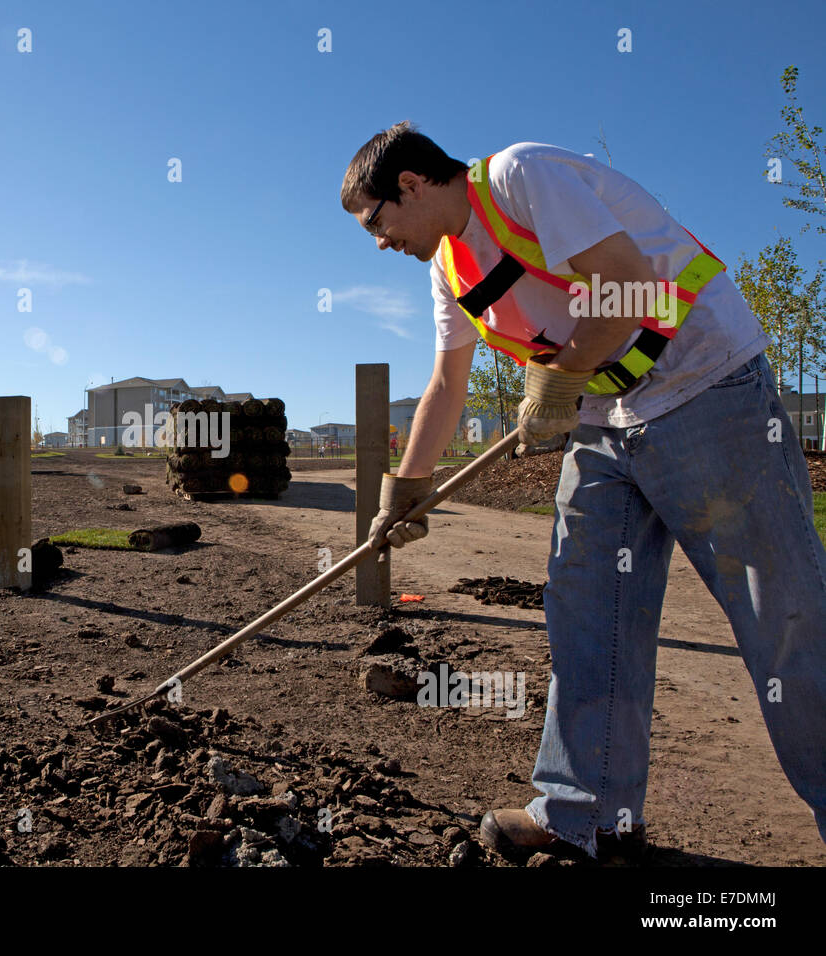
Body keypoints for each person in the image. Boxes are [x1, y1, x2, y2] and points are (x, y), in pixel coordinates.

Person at [344, 122, 826, 861]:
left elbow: (629, 283)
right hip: (606, 418)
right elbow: (447, 384)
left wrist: (562, 377)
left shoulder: (520, 178)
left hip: (705, 386)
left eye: (377, 222)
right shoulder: (447, 268)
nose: (378, 242)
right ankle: (587, 817)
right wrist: (407, 486)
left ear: (409, 185)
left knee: (782, 611)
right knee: (588, 607)